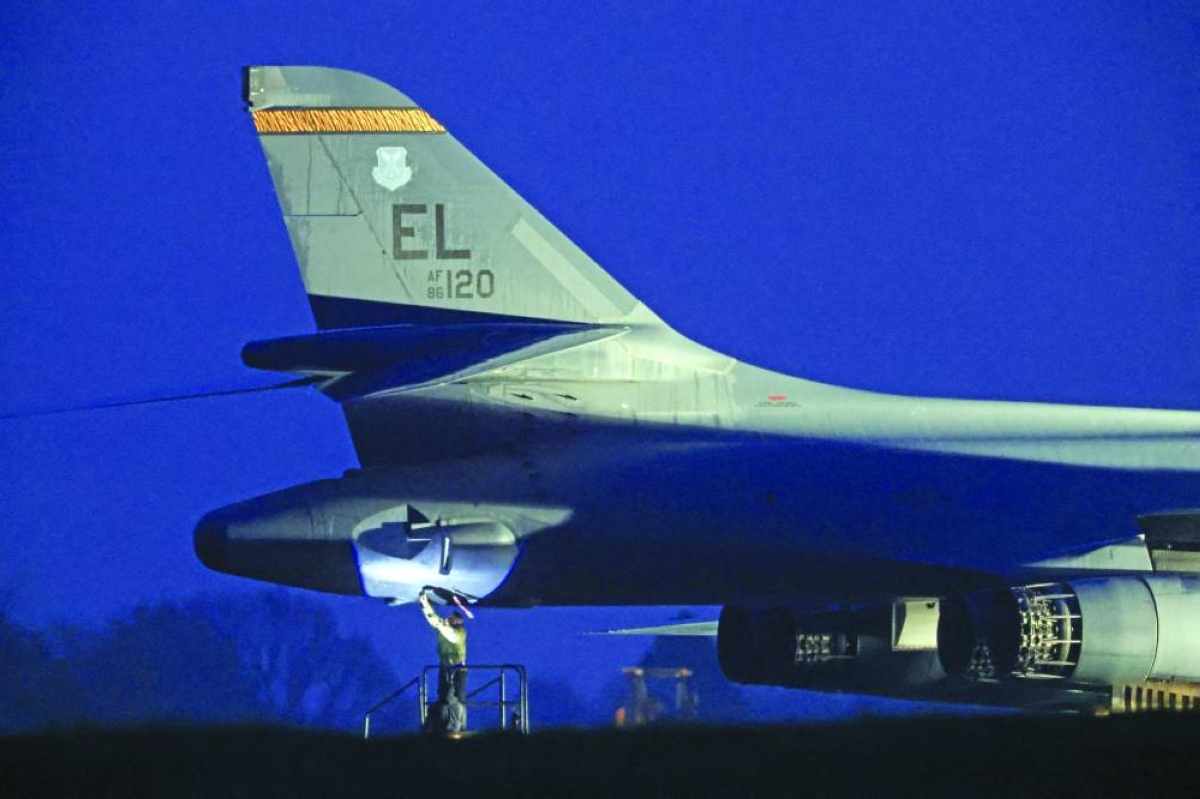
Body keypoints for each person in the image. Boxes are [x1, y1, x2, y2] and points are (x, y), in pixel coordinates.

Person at [419, 590, 468, 733]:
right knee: (443, 697)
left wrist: (441, 623)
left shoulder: (458, 634)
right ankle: (440, 724)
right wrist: (425, 606)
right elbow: (435, 621)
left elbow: (445, 629)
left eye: (450, 619)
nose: (447, 619)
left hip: (458, 668)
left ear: (456, 622)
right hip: (445, 666)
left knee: (457, 699)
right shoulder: (445, 629)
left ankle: (459, 728)